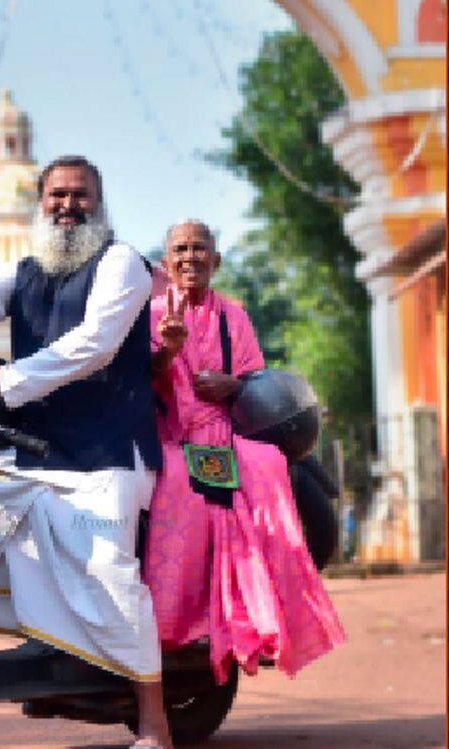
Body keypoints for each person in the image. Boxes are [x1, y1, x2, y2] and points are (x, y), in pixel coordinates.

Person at [0, 155, 171, 749]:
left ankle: (155, 723)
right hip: (40, 449)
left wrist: (7, 382)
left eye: (81, 195)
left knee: (110, 575)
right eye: (57, 196)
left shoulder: (123, 264)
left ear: (100, 201)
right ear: (40, 204)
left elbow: (92, 346)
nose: (68, 206)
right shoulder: (28, 268)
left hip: (107, 452)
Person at [144, 220, 345, 685]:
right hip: (172, 434)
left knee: (269, 466)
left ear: (215, 261)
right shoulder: (149, 313)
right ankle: (180, 626)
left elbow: (256, 380)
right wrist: (169, 351)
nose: (190, 257)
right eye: (181, 249)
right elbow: (141, 380)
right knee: (178, 484)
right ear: (167, 261)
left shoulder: (233, 315)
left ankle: (263, 613)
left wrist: (229, 385)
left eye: (200, 249)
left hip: (226, 430)